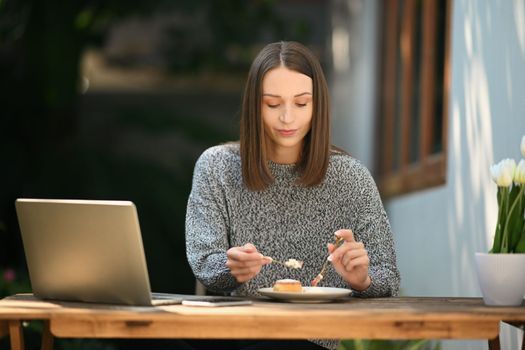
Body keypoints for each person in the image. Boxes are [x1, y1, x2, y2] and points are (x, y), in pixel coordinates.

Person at [185, 41, 400, 350]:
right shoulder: (216, 166)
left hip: (307, 342)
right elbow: (204, 260)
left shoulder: (351, 178)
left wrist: (362, 279)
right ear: (254, 106)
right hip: (233, 335)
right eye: (273, 104)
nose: (287, 118)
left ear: (318, 106)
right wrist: (230, 268)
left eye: (301, 104)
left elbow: (388, 276)